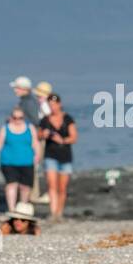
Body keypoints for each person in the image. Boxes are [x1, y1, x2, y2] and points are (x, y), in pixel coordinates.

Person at [0, 107, 39, 211]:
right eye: (15, 117)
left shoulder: (30, 127)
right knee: (11, 185)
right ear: (11, 117)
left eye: (20, 118)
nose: (17, 120)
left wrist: (37, 155)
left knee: (25, 187)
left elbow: (35, 142)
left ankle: (23, 207)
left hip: (27, 162)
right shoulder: (5, 128)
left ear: (24, 118)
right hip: (8, 162)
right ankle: (11, 209)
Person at [38, 92, 77, 221]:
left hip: (65, 156)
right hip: (50, 155)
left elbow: (74, 137)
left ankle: (59, 212)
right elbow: (38, 135)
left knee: (62, 187)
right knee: (51, 185)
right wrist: (44, 134)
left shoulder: (68, 119)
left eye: (54, 104)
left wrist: (62, 140)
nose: (52, 107)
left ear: (59, 104)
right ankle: (53, 212)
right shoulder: (45, 120)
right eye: (50, 105)